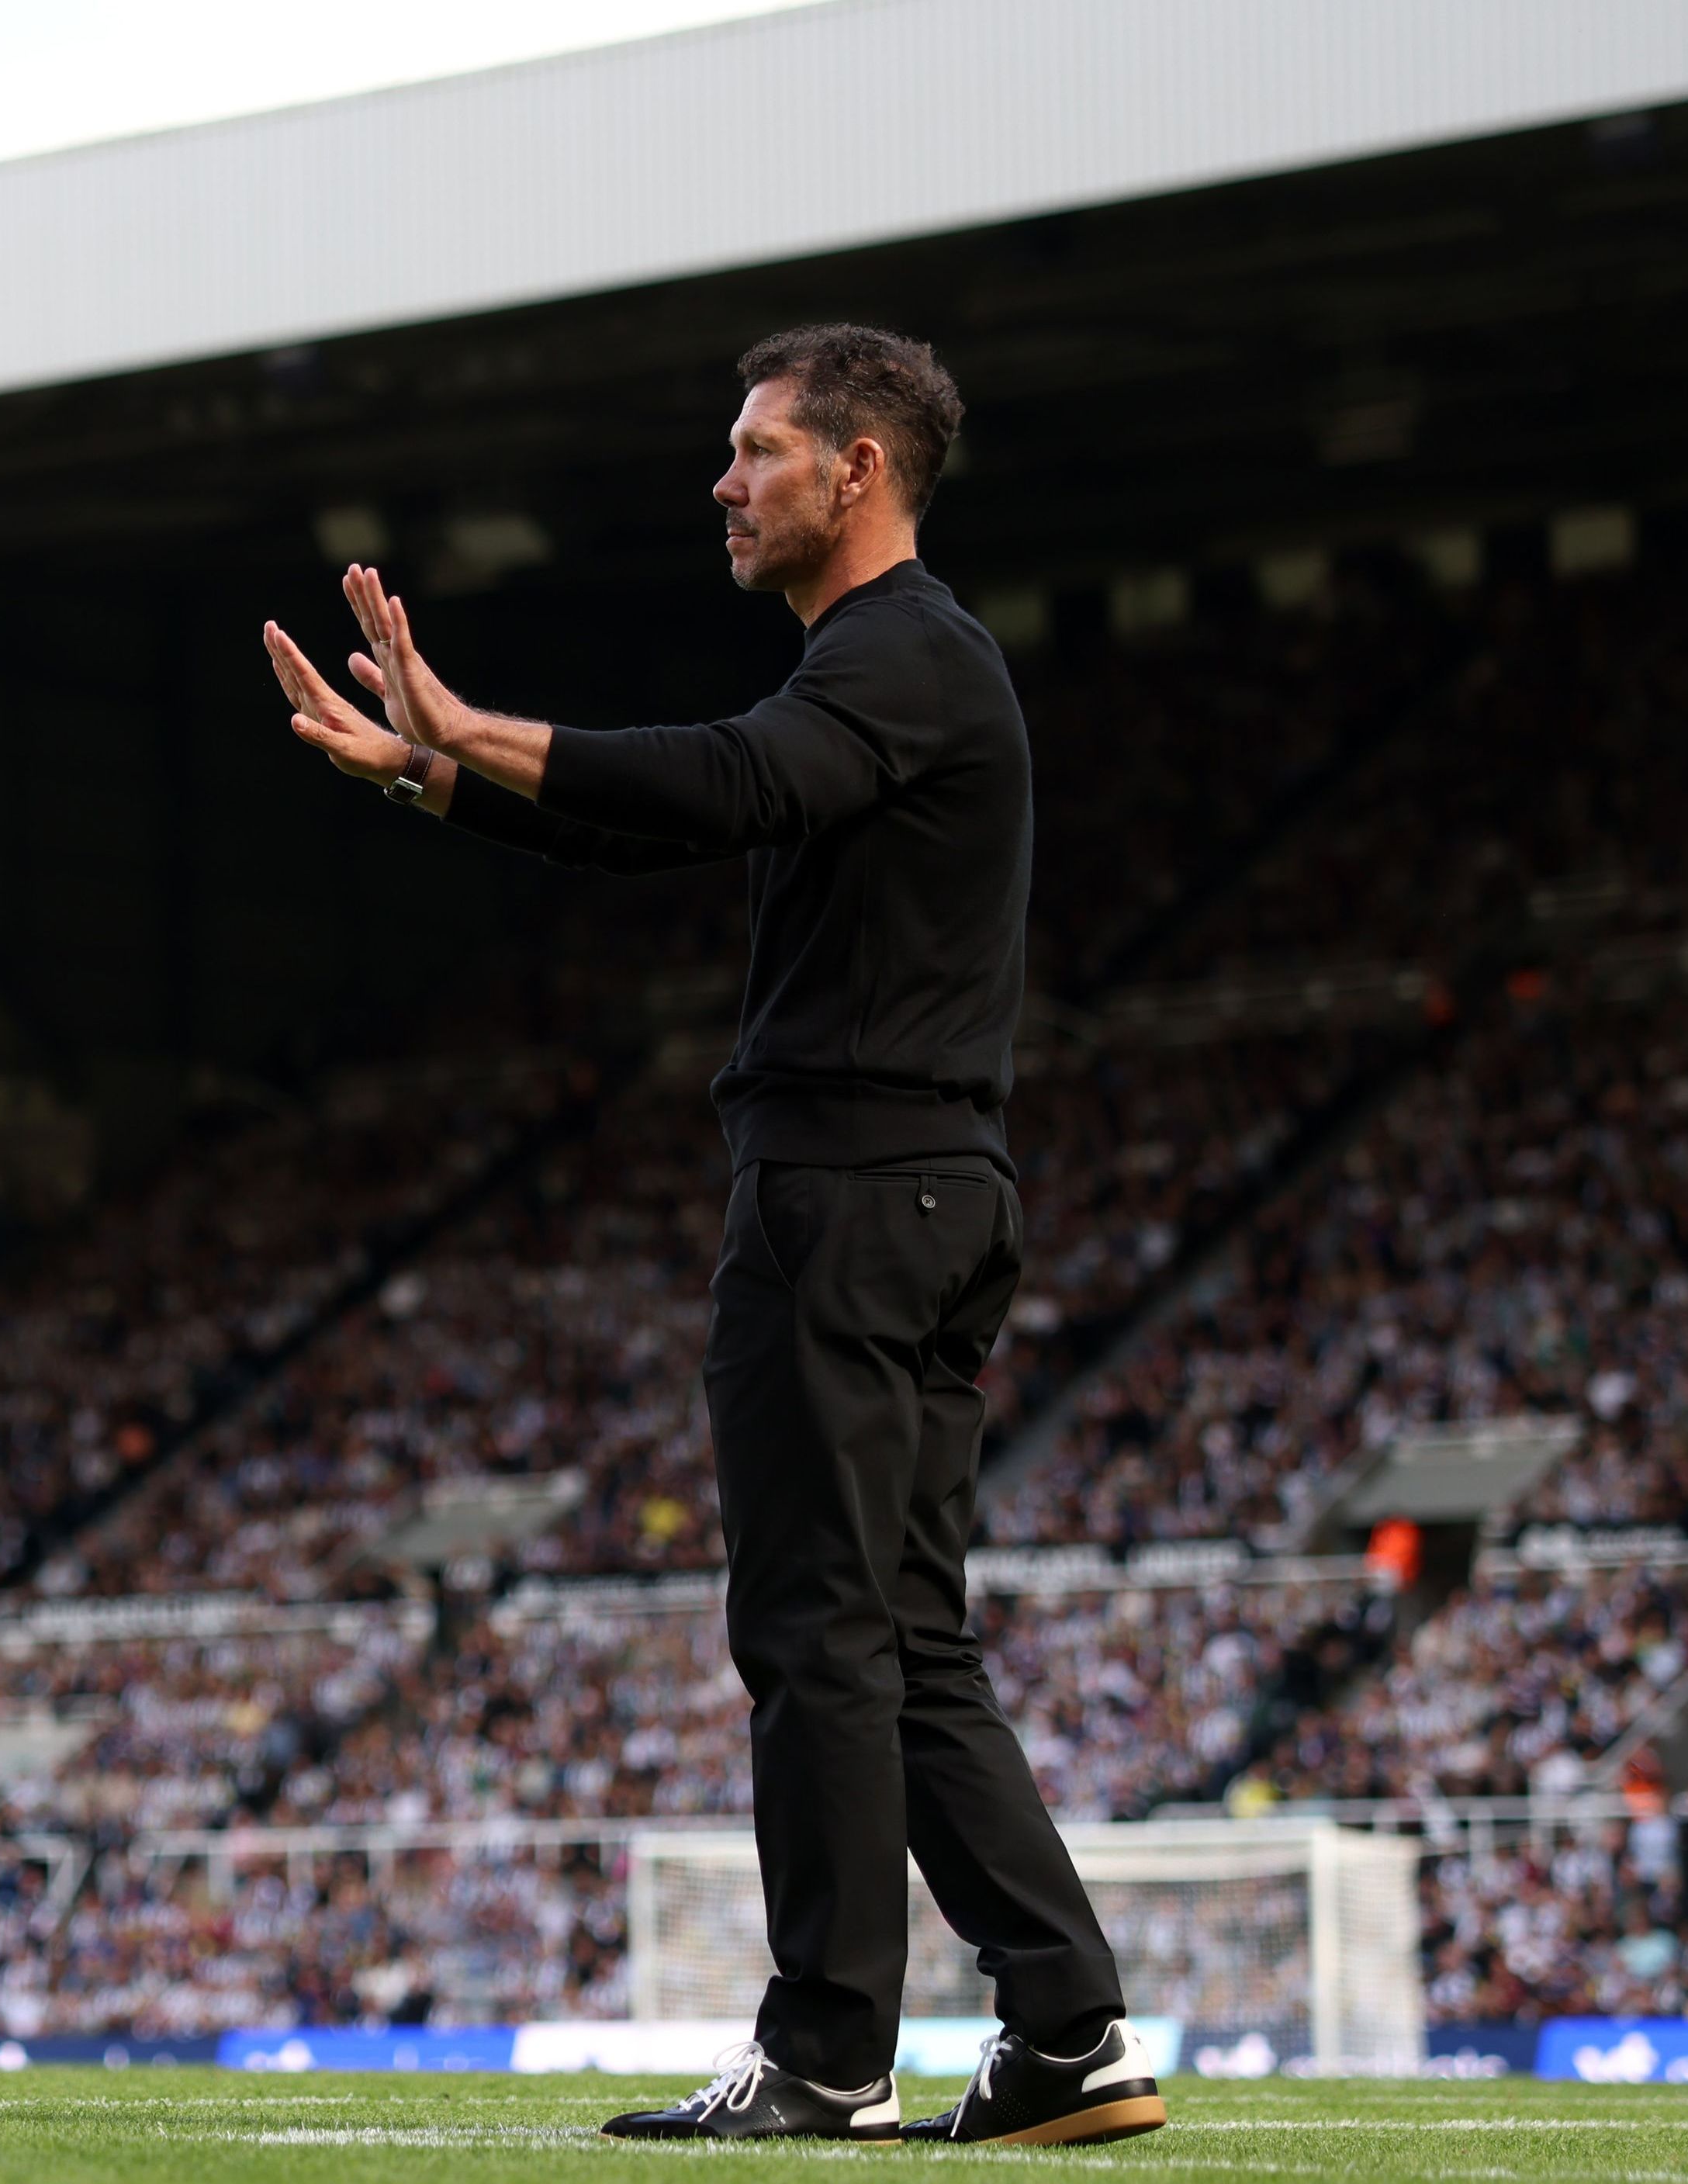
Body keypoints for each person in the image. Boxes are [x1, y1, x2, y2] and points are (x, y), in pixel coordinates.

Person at [261, 323, 1156, 2148]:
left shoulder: (894, 654)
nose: (723, 481)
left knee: (818, 1630)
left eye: (755, 451)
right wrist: (430, 776)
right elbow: (668, 827)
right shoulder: (891, 675)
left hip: (842, 1200)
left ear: (854, 474)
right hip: (914, 1192)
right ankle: (1061, 2033)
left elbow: (718, 783)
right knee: (897, 1637)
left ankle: (829, 2046)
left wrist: (465, 719)